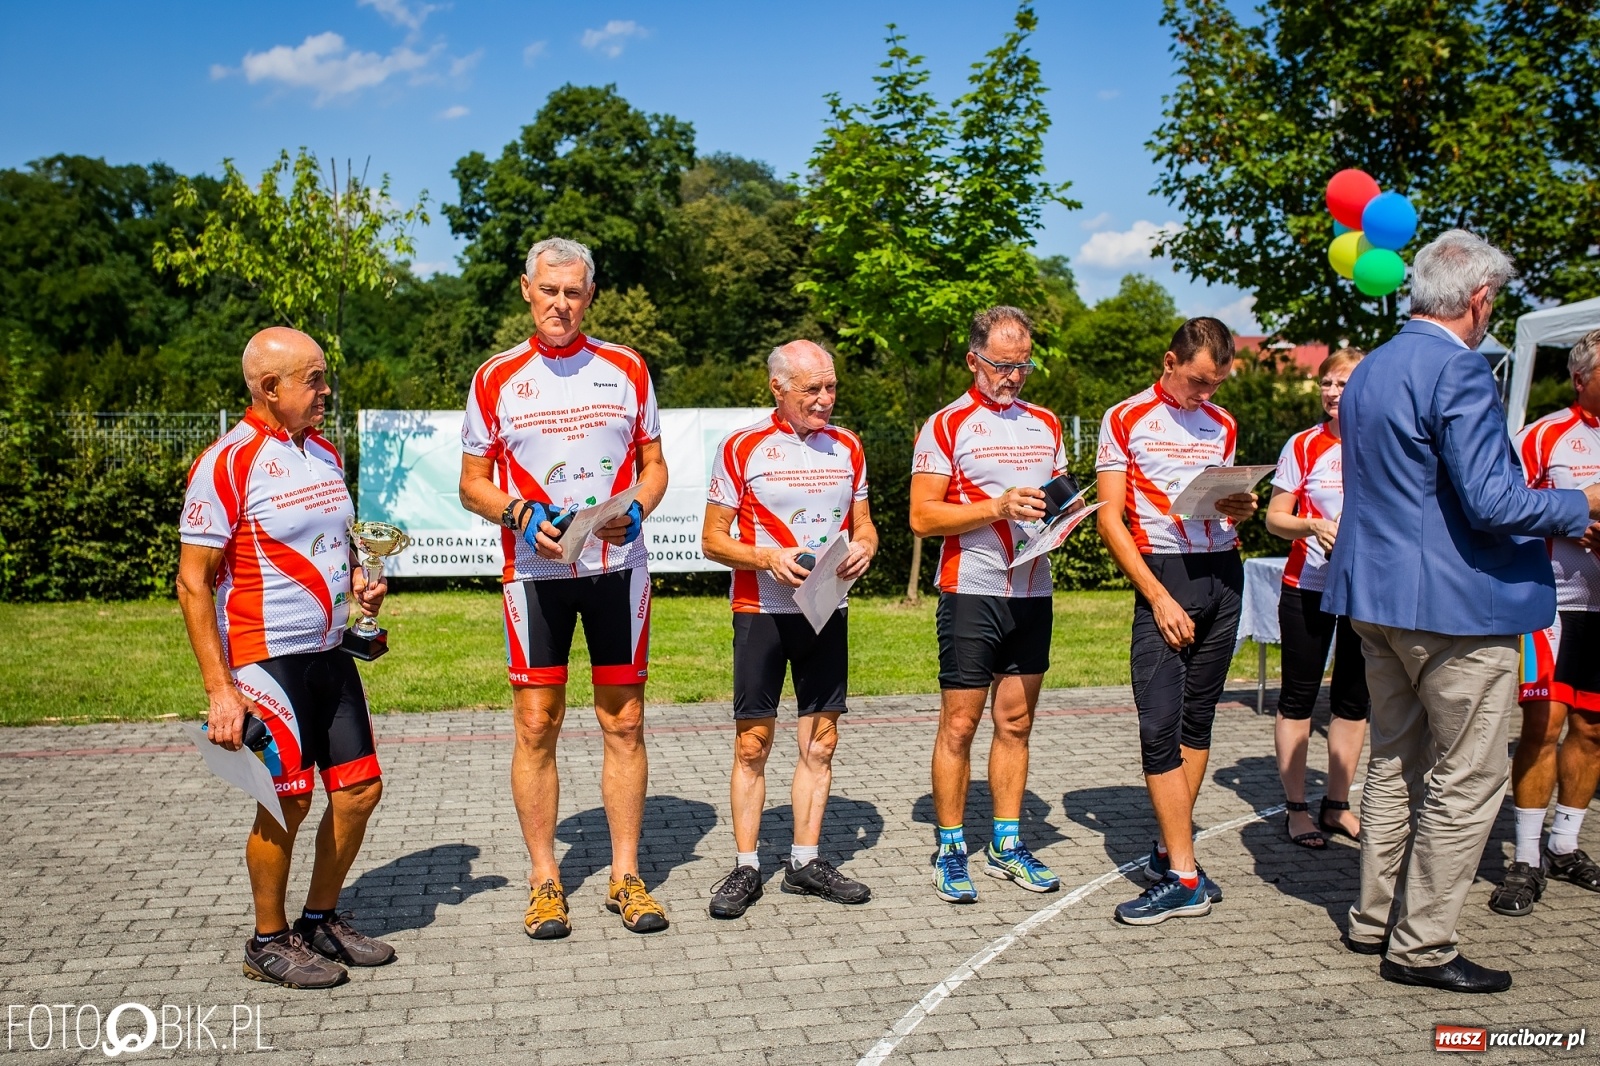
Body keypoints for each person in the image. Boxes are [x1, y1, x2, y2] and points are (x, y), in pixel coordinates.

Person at [1324, 230, 1600, 994]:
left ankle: (1374, 919)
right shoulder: (1460, 370)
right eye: (1495, 303)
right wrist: (1582, 503)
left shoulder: (1372, 367)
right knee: (1466, 777)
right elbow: (1491, 500)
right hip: (1453, 607)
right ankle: (1421, 945)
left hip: (1377, 599)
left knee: (1394, 761)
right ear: (1479, 299)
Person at [457, 237, 670, 939]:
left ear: (591, 294)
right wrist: (518, 512)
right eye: (549, 291)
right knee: (536, 724)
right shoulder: (495, 377)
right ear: (526, 289)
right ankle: (545, 879)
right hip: (535, 571)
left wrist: (634, 510)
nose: (561, 304)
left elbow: (654, 467)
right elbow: (471, 484)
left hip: (617, 567)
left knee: (625, 722)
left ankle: (625, 876)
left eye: (573, 292)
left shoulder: (627, 367)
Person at [177, 327, 392, 989]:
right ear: (270, 388)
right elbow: (193, 582)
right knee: (287, 803)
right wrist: (220, 691)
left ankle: (318, 920)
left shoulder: (324, 452)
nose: (326, 391)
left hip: (331, 651)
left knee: (359, 791)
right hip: (265, 661)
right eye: (314, 380)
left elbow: (340, 544)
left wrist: (361, 582)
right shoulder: (227, 461)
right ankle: (266, 941)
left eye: (324, 378)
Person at [700, 341, 879, 918]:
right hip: (761, 611)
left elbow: (865, 526)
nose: (825, 400)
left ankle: (805, 861)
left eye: (831, 388)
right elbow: (712, 539)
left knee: (821, 741)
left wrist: (866, 550)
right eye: (812, 390)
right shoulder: (741, 447)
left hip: (826, 605)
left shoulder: (848, 445)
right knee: (753, 744)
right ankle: (746, 866)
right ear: (777, 387)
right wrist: (766, 557)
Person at [1096, 317, 1259, 925]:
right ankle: (1186, 875)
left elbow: (1225, 508)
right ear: (1170, 361)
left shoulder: (1223, 424)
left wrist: (1242, 507)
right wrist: (1158, 596)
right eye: (1196, 382)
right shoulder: (1125, 417)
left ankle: (1175, 860)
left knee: (1197, 718)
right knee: (1157, 724)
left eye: (1216, 384)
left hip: (1222, 573)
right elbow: (1111, 521)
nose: (1205, 395)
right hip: (1166, 573)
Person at [910, 306, 1068, 904]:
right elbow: (922, 518)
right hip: (971, 588)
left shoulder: (1046, 423)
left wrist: (1064, 518)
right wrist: (996, 508)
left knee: (1017, 722)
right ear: (974, 359)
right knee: (959, 723)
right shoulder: (947, 424)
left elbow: (1058, 499)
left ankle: (1006, 842)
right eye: (1003, 365)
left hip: (1033, 589)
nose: (1014, 376)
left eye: (1024, 365)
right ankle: (951, 847)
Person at [1489, 328, 1600, 917]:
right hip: (1551, 603)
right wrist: (1570, 524)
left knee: (1592, 730)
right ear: (1581, 378)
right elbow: (1504, 512)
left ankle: (1564, 844)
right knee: (1545, 724)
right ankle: (1525, 858)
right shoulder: (1543, 436)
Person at [1264, 349, 1370, 849]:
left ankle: (1338, 805)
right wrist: (1311, 524)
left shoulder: (1383, 441)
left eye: (1344, 383)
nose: (1331, 393)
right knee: (1299, 695)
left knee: (1353, 698)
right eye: (1326, 383)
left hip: (1367, 588)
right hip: (1306, 585)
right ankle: (1297, 809)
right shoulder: (1303, 446)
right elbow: (1273, 518)